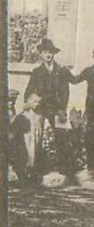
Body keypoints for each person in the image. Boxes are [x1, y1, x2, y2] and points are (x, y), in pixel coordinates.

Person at [24, 39, 71, 176]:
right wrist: (32, 102)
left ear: (54, 54)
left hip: (56, 108)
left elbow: (65, 92)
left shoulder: (60, 71)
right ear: (41, 54)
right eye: (45, 52)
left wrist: (62, 109)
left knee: (61, 136)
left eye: (50, 52)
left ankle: (63, 169)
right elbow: (29, 90)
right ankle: (37, 170)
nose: (48, 55)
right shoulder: (37, 71)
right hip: (41, 108)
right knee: (38, 137)